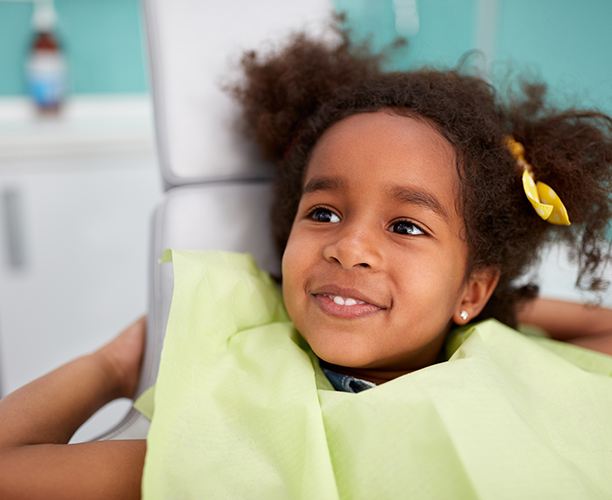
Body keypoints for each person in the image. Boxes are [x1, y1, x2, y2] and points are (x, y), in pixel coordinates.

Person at [1, 24, 611, 499]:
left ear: (474, 290)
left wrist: (488, 308)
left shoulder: (507, 365)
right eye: (323, 213)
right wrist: (114, 365)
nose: (347, 247)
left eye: (405, 225)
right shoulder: (238, 433)